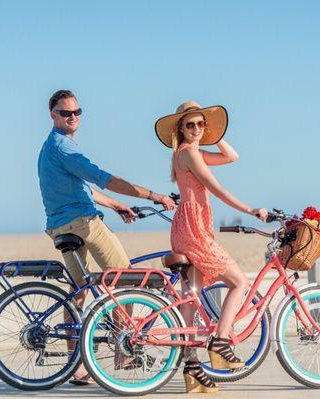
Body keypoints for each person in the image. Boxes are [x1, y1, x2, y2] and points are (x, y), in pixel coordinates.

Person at [38, 89, 176, 384]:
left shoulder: (50, 148)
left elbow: (82, 190)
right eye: (65, 113)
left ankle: (77, 366)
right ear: (53, 115)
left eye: (77, 112)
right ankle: (123, 355)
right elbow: (104, 178)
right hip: (84, 224)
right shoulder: (65, 148)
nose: (72, 117)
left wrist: (116, 205)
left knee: (78, 292)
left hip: (61, 226)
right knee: (124, 279)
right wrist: (154, 195)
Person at [155, 101, 267, 393]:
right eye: (190, 124)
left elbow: (232, 156)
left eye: (201, 124)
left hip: (189, 227)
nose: (196, 129)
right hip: (194, 231)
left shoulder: (190, 152)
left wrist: (213, 133)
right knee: (239, 282)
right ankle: (220, 339)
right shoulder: (190, 153)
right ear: (180, 127)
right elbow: (216, 188)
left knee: (191, 296)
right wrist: (250, 209)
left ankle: (192, 367)